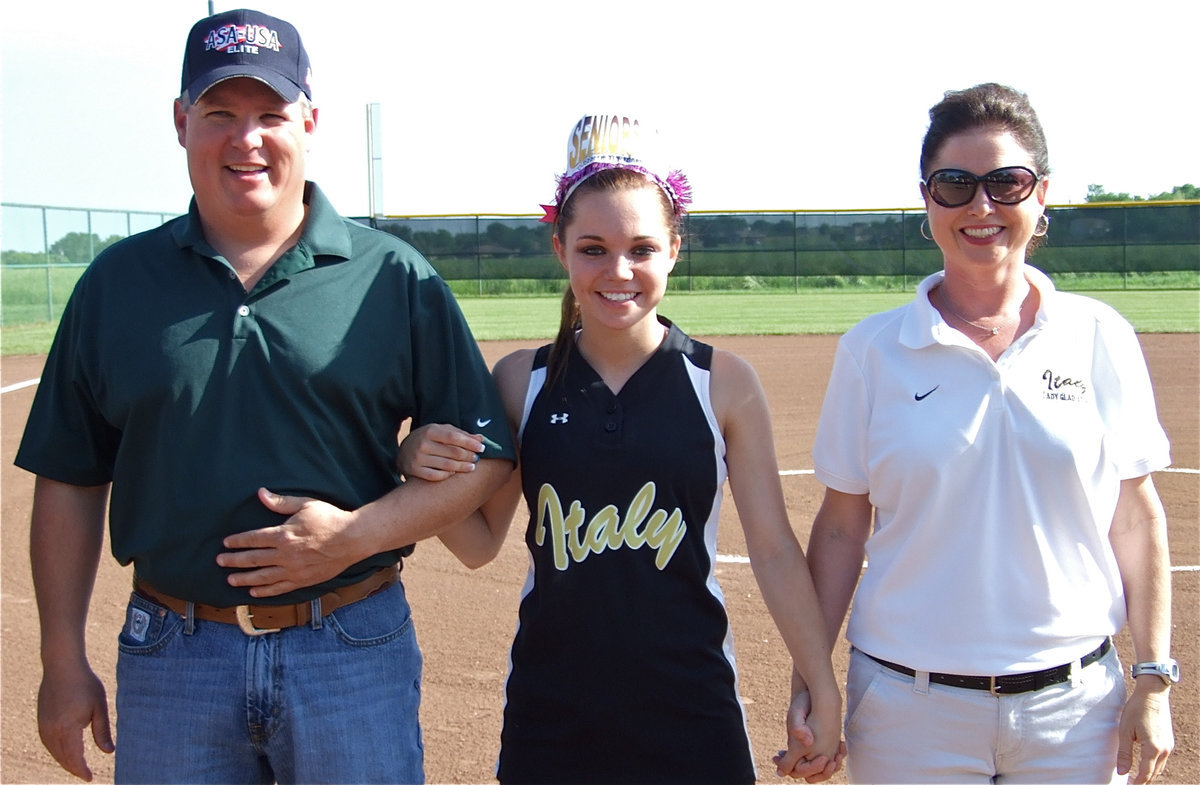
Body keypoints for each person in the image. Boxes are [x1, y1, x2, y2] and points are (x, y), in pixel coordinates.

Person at [15, 8, 514, 784]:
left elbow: (486, 457)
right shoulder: (117, 285)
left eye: (270, 114)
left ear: (308, 121)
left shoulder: (391, 276)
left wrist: (353, 534)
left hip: (348, 643)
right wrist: (61, 659)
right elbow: (72, 478)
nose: (246, 139)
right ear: (181, 122)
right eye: (220, 113)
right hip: (173, 652)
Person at [397, 113, 844, 784]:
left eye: (641, 248)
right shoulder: (523, 381)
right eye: (593, 248)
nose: (618, 270)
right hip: (553, 714)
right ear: (559, 248)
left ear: (674, 248)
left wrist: (821, 682)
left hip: (692, 711)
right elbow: (479, 539)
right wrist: (410, 462)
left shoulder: (722, 383)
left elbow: (775, 550)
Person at [802, 82, 1176, 784]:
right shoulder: (872, 351)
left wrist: (1153, 678)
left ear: (1041, 197)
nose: (982, 205)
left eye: (1007, 182)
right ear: (926, 199)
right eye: (956, 184)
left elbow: (1135, 514)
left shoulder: (1101, 336)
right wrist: (810, 681)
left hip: (1074, 711)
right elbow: (841, 529)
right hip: (907, 711)